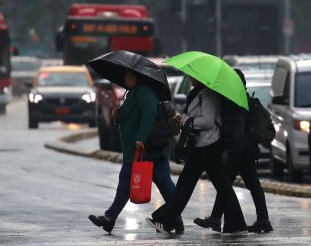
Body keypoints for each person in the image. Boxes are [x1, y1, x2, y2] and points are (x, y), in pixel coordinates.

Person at [146, 77, 248, 235]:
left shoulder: (208, 95)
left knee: (185, 186)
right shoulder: (199, 93)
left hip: (206, 146)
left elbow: (207, 121)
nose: (190, 78)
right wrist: (184, 119)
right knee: (222, 187)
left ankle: (166, 221)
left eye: (192, 76)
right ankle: (237, 225)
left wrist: (186, 120)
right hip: (205, 145)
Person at [88, 69, 183, 234]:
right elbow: (131, 116)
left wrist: (141, 138)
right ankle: (176, 221)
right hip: (141, 148)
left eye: (127, 75)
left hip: (144, 147)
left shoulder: (144, 91)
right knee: (161, 182)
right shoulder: (131, 92)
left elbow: (150, 114)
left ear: (135, 77)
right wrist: (117, 116)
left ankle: (109, 218)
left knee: (128, 179)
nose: (124, 78)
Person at [194, 69, 273, 233]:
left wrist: (224, 144)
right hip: (248, 149)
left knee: (225, 184)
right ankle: (263, 220)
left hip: (236, 150)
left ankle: (216, 219)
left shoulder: (232, 102)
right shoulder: (245, 99)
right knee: (252, 185)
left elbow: (231, 128)